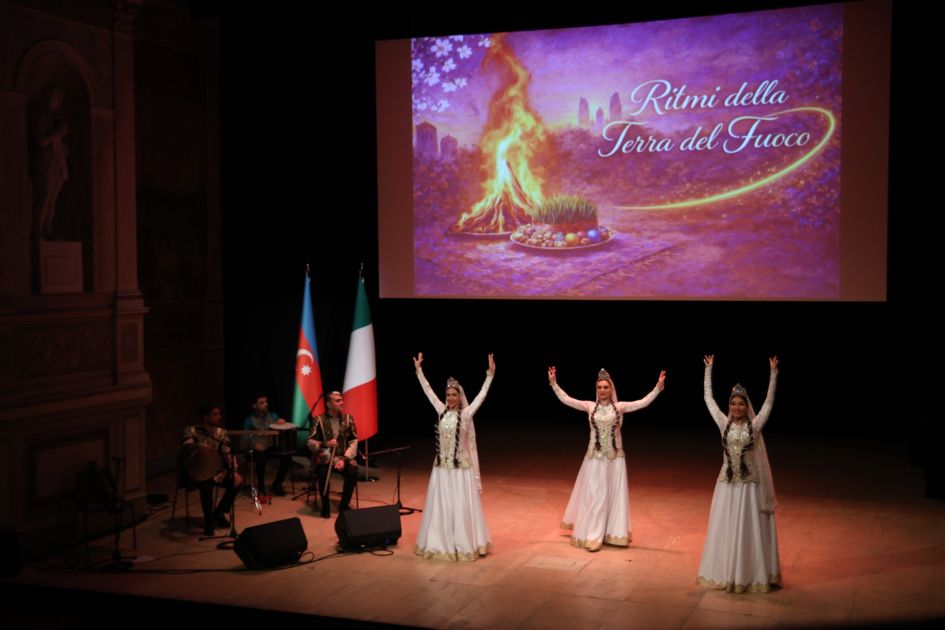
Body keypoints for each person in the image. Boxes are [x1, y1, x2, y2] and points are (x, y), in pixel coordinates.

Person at [548, 365, 665, 551]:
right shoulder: (589, 406)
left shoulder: (620, 407)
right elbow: (567, 400)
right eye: (599, 387)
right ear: (596, 389)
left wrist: (657, 388)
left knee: (611, 497)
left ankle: (610, 533)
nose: (602, 390)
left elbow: (642, 402)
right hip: (594, 459)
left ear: (611, 389)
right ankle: (593, 535)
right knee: (595, 496)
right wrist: (554, 383)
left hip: (614, 460)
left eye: (605, 387)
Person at [697, 355, 781, 593]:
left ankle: (747, 574)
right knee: (725, 530)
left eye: (741, 404)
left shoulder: (755, 426)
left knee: (747, 532)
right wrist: (708, 370)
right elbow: (708, 399)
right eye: (733, 403)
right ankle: (726, 572)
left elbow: (769, 403)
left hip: (748, 488)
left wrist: (773, 374)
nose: (736, 407)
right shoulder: (723, 424)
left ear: (747, 406)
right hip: (727, 486)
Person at [413, 352, 494, 561]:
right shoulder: (441, 411)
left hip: (460, 471)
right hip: (441, 470)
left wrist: (490, 375)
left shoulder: (466, 414)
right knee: (442, 508)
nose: (450, 398)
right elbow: (428, 392)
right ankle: (441, 543)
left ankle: (463, 544)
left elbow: (481, 396)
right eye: (448, 395)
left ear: (460, 397)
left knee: (459, 508)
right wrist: (419, 371)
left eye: (454, 395)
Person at [181, 405, 241, 536]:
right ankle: (209, 522)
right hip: (196, 472)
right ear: (205, 417)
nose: (219, 417)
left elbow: (227, 453)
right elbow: (186, 446)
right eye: (215, 414)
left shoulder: (221, 432)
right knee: (206, 484)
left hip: (215, 471)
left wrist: (234, 471)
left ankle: (218, 513)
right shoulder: (191, 430)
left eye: (219, 414)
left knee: (236, 482)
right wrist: (199, 445)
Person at [307, 391, 358, 517]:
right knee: (323, 473)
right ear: (329, 404)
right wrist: (324, 443)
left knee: (353, 472)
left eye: (341, 400)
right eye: (337, 400)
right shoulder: (318, 420)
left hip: (343, 458)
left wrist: (345, 459)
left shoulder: (348, 419)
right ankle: (325, 506)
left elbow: (353, 441)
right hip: (324, 458)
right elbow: (310, 442)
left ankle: (344, 505)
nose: (342, 402)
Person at [30, 86, 69, 240]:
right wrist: (58, 132)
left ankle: (47, 228)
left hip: (58, 160)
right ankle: (38, 229)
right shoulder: (40, 117)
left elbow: (54, 142)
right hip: (46, 162)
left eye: (60, 99)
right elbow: (42, 141)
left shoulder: (57, 119)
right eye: (55, 97)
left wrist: (62, 148)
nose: (58, 101)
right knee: (45, 195)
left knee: (53, 196)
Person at [243, 395, 291, 496]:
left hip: (270, 447)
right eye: (261, 403)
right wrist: (255, 444)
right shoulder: (249, 420)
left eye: (266, 402)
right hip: (256, 450)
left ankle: (277, 484)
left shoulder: (273, 416)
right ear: (254, 406)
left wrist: (281, 423)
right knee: (261, 456)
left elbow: (280, 429)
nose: (265, 404)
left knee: (287, 456)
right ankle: (261, 485)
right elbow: (246, 438)